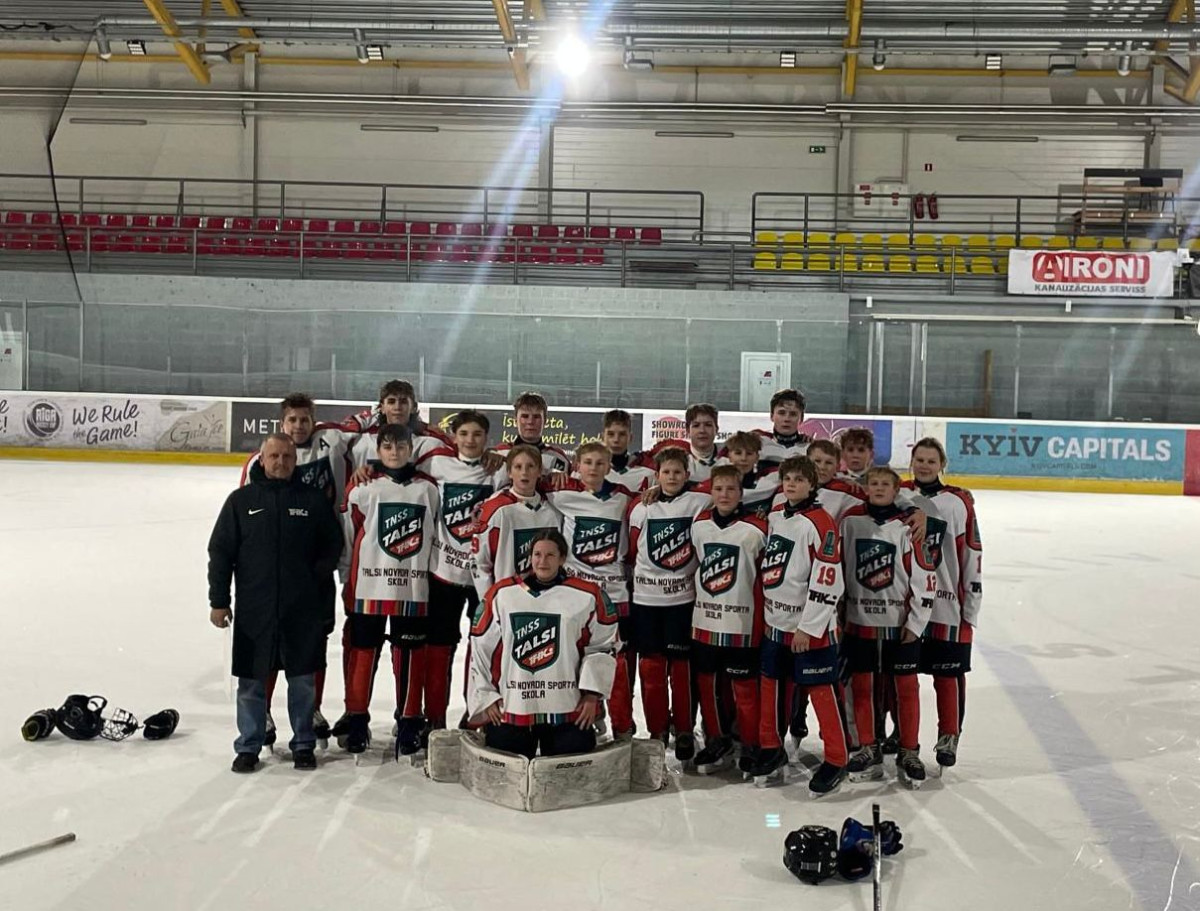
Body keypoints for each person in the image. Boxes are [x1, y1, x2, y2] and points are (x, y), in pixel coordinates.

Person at [208, 433, 343, 773]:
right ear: (262, 459)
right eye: (274, 456)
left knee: (302, 682)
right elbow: (220, 552)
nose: (280, 462)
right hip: (255, 609)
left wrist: (313, 580)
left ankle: (303, 744)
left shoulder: (312, 500)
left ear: (295, 461)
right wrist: (219, 600)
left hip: (302, 610)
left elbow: (332, 545)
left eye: (286, 456)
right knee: (251, 683)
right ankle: (248, 745)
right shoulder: (241, 501)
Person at [239, 392, 359, 747]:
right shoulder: (260, 462)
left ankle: (313, 708)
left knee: (315, 639)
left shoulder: (331, 441)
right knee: (270, 640)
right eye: (292, 420)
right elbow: (248, 515)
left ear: (314, 421)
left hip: (318, 565)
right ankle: (263, 711)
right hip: (277, 570)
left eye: (304, 419)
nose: (298, 425)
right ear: (282, 423)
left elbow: (371, 427)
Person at [467, 529, 619, 759]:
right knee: (505, 761)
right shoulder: (502, 594)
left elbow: (603, 646)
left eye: (550, 555)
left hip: (568, 708)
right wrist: (487, 696)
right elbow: (481, 647)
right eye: (537, 554)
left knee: (571, 763)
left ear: (562, 558)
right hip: (514, 706)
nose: (542, 561)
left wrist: (591, 695)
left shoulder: (587, 594)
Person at [339, 423, 441, 756]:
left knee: (410, 656)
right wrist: (347, 578)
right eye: (387, 446)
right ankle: (357, 720)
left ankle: (409, 721)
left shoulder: (428, 489)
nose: (394, 452)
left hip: (412, 589)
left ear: (411, 449)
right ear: (378, 450)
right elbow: (350, 536)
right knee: (362, 653)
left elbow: (435, 536)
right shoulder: (362, 488)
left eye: (400, 446)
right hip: (368, 587)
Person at [753, 456, 849, 795]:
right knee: (771, 685)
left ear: (812, 484)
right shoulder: (777, 515)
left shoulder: (821, 522)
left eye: (799, 479)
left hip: (810, 628)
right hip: (775, 622)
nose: (792, 484)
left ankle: (837, 757)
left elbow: (829, 579)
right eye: (788, 479)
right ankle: (771, 747)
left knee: (820, 689)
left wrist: (808, 626)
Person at [839, 466, 938, 788]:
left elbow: (926, 578)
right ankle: (868, 747)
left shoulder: (909, 525)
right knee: (863, 688)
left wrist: (916, 623)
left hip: (900, 626)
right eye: (874, 483)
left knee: (906, 690)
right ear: (865, 488)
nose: (879, 488)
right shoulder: (850, 521)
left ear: (897, 491)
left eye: (886, 484)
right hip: (860, 624)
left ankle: (909, 750)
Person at [541, 442, 640, 739]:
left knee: (614, 662)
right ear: (577, 466)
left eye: (600, 463)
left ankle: (624, 726)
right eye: (588, 462)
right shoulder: (562, 493)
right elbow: (526, 482)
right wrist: (551, 476)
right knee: (575, 657)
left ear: (609, 466)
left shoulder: (624, 498)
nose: (593, 468)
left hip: (614, 595)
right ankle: (591, 717)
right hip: (577, 596)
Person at [414, 409, 498, 737]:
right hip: (443, 574)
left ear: (487, 438)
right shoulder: (436, 463)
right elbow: (398, 465)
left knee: (482, 648)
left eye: (477, 434)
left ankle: (475, 713)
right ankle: (434, 716)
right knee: (438, 647)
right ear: (454, 437)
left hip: (483, 578)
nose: (470, 440)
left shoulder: (500, 469)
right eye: (464, 434)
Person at [627, 446, 712, 761]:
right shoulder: (641, 507)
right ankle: (657, 729)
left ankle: (685, 728)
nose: (672, 477)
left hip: (682, 601)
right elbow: (633, 550)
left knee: (681, 669)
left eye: (678, 472)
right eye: (666, 472)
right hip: (646, 601)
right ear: (657, 475)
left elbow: (723, 489)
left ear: (688, 475)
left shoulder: (700, 501)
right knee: (651, 668)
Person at [904, 437, 983, 770]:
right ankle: (899, 734)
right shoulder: (899, 494)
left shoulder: (958, 502)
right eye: (919, 459)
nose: (924, 466)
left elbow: (972, 552)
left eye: (931, 461)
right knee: (902, 674)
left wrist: (971, 604)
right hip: (907, 603)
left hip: (946, 602)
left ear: (942, 465)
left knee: (947, 674)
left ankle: (949, 734)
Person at [689, 465, 767, 774]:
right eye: (719, 489)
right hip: (704, 622)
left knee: (744, 689)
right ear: (711, 492)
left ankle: (749, 743)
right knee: (708, 687)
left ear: (741, 493)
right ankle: (717, 739)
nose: (724, 495)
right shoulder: (699, 524)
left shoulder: (757, 528)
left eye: (731, 489)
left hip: (742, 625)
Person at [471, 444, 563, 602]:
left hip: (547, 599)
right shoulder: (496, 510)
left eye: (531, 466)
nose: (524, 472)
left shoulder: (554, 511)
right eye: (518, 467)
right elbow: (480, 563)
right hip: (507, 601)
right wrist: (488, 601)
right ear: (509, 472)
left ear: (540, 471)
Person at [347, 380, 448, 471]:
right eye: (391, 402)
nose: (397, 407)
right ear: (382, 407)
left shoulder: (431, 441)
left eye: (403, 402)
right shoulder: (362, 442)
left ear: (413, 407)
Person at [491, 391, 572, 486]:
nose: (530, 421)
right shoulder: (499, 453)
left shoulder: (559, 458)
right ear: (515, 420)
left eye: (536, 417)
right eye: (525, 416)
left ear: (545, 421)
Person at [643, 403, 721, 482]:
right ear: (687, 430)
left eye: (708, 425)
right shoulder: (673, 457)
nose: (702, 430)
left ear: (717, 429)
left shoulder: (727, 456)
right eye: (696, 425)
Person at [717, 431, 780, 516]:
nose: (743, 458)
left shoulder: (769, 483)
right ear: (729, 456)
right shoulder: (717, 482)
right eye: (738, 453)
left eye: (749, 453)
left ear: (757, 457)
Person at [750, 389, 811, 467]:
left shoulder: (810, 449)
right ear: (772, 416)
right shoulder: (756, 444)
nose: (787, 419)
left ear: (801, 418)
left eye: (793, 414)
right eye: (781, 413)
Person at [600, 409, 657, 492]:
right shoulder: (588, 470)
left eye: (622, 434)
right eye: (611, 434)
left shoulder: (648, 472)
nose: (616, 440)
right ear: (603, 437)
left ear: (630, 437)